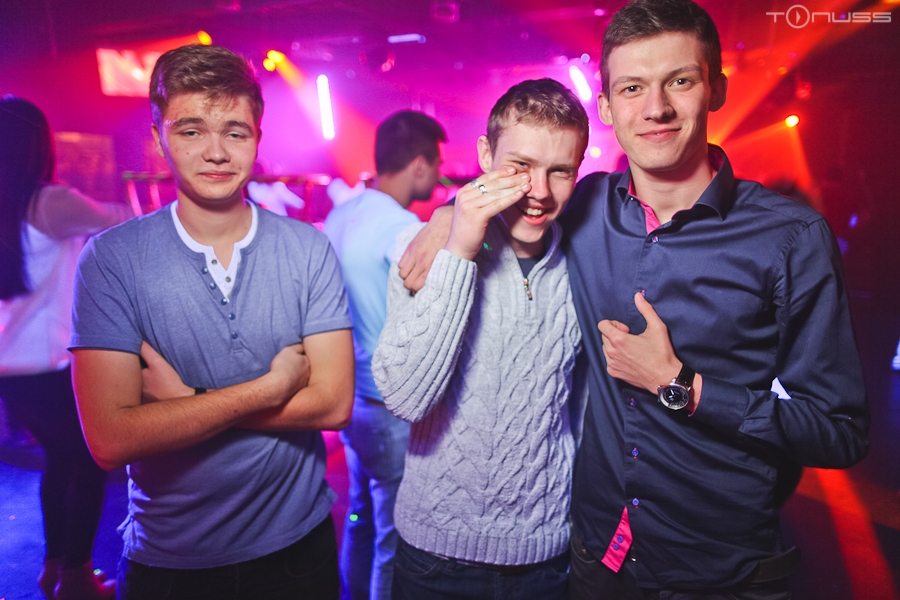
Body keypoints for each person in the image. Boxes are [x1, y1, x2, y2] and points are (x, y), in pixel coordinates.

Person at [396, 1, 869, 598]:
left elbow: (839, 432)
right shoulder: (583, 206)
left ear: (716, 89)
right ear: (607, 107)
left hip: (717, 575)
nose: (655, 108)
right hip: (595, 561)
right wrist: (449, 215)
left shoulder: (789, 238)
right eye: (632, 87)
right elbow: (520, 183)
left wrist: (683, 387)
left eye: (680, 81)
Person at [69, 44, 355, 598]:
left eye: (235, 131)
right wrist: (271, 389)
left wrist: (186, 401)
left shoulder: (307, 248)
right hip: (172, 560)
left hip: (298, 547)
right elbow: (110, 439)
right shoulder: (111, 259)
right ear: (159, 138)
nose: (217, 152)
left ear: (258, 138)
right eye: (191, 130)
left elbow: (334, 404)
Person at [371, 78, 589, 600]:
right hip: (436, 560)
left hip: (547, 557)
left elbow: (579, 408)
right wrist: (460, 248)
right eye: (520, 166)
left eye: (560, 170)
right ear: (486, 155)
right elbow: (405, 397)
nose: (540, 190)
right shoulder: (423, 246)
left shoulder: (585, 259)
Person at [0, 96, 131, 599]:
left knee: (61, 459)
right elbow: (128, 218)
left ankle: (55, 568)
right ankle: (76, 577)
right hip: (48, 368)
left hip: (12, 371)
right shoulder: (50, 203)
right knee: (91, 462)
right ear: (39, 144)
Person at [324, 110, 447, 600]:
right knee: (395, 537)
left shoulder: (342, 213)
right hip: (385, 404)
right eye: (436, 165)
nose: (440, 176)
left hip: (347, 395)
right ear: (419, 165)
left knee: (360, 514)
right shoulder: (402, 227)